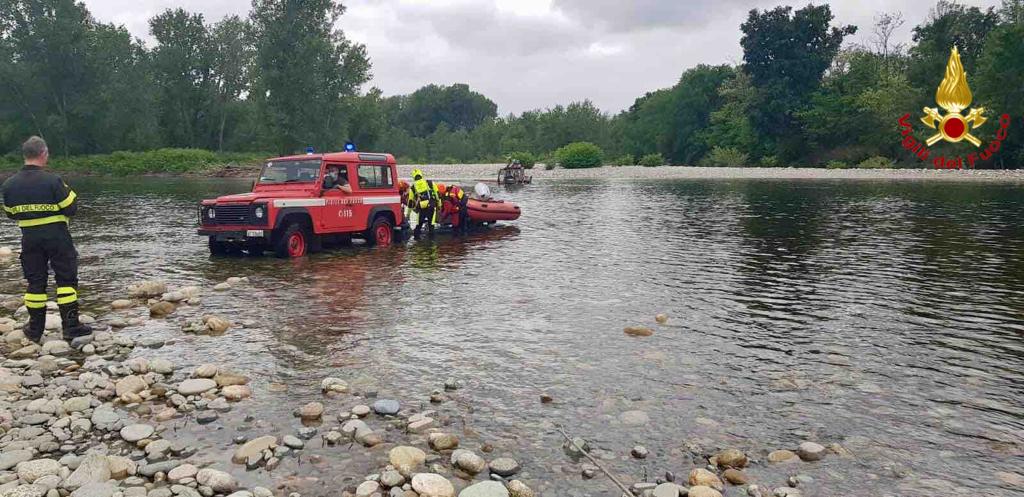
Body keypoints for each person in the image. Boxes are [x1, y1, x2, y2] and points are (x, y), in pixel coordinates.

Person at [2, 136, 91, 343]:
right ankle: (71, 327)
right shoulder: (53, 180)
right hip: (57, 237)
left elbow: (10, 214)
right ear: (44, 154)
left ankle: (34, 329)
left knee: (35, 282)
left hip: (30, 239)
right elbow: (72, 208)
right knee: (66, 281)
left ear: (25, 155)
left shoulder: (9, 184)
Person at [408, 168, 438, 238]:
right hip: (431, 206)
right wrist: (439, 205)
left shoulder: (413, 187)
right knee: (431, 225)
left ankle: (417, 241)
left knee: (419, 225)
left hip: (421, 208)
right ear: (421, 175)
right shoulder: (430, 183)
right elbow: (437, 195)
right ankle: (432, 244)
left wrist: (408, 214)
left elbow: (410, 202)